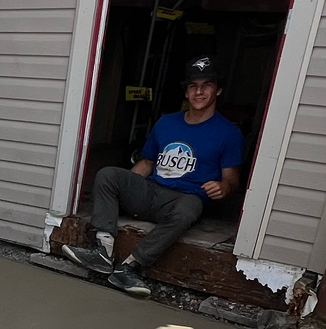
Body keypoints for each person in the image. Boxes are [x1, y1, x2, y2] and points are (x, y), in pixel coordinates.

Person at [67, 57, 244, 298]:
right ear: (186, 91)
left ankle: (130, 267)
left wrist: (224, 187)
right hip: (152, 190)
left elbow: (232, 178)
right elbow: (147, 162)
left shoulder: (228, 133)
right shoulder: (166, 122)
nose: (199, 92)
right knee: (108, 174)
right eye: (193, 86)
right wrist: (126, 189)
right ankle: (103, 251)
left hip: (183, 199)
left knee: (190, 208)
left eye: (207, 85)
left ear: (218, 90)